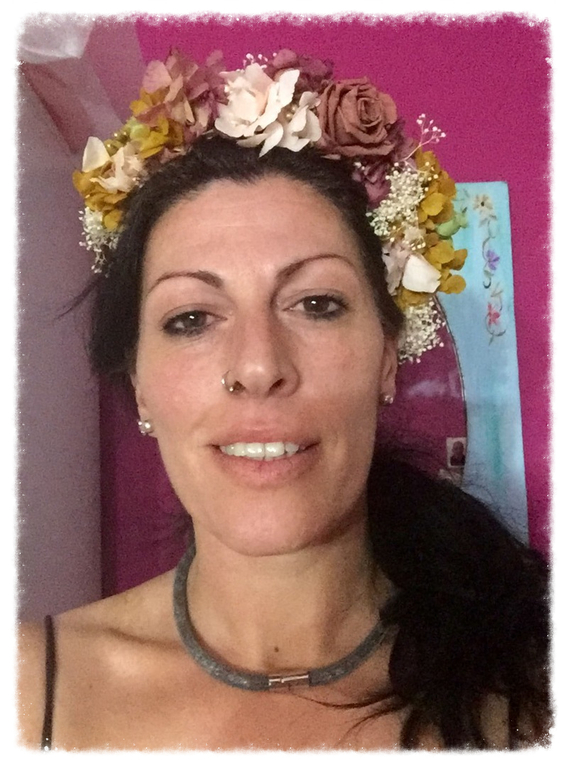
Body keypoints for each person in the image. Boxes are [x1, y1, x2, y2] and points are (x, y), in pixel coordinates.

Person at [17, 49, 550, 751]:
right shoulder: (26, 690)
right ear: (140, 383)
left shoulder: (533, 687)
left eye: (317, 303)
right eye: (192, 318)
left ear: (387, 357)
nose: (259, 365)